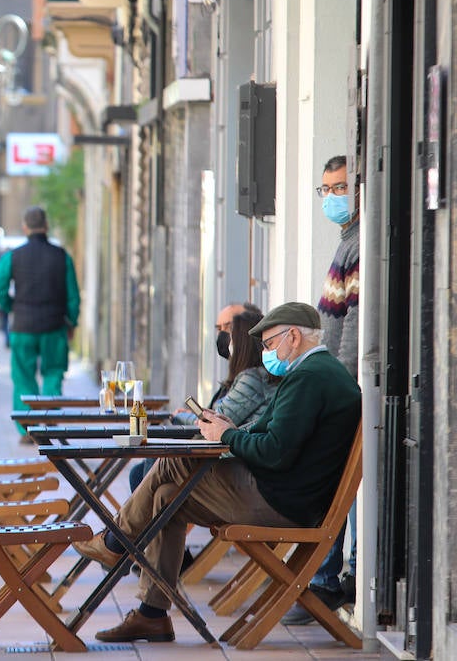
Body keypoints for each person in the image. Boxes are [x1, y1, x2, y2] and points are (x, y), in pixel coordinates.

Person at [74, 302, 361, 643]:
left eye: (269, 344)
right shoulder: (319, 374)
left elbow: (273, 453)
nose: (266, 353)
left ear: (294, 336)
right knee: (167, 497)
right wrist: (229, 427)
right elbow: (269, 432)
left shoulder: (308, 379)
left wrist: (225, 436)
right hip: (289, 496)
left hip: (282, 502)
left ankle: (114, 541)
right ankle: (152, 615)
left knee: (176, 460)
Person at [287, 154, 361, 623]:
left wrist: (340, 384)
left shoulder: (359, 244)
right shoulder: (346, 242)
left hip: (344, 385)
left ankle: (327, 578)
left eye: (340, 188)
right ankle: (327, 575)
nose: (333, 197)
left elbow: (353, 328)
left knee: (333, 479)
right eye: (326, 189)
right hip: (335, 380)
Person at [127, 303, 272, 491]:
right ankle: (139, 520)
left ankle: (132, 521)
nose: (225, 340)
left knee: (160, 466)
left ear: (244, 340)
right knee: (145, 474)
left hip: (231, 464)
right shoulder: (243, 377)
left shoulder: (252, 378)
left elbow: (213, 420)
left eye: (229, 331)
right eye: (220, 329)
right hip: (223, 455)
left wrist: (180, 416)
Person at [0, 206, 80, 431]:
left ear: (25, 227)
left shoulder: (14, 256)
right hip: (55, 326)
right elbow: (73, 296)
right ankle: (49, 423)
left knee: (23, 377)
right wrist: (72, 321)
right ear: (46, 226)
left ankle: (28, 427)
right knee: (53, 373)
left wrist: (11, 307)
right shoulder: (62, 257)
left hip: (23, 326)